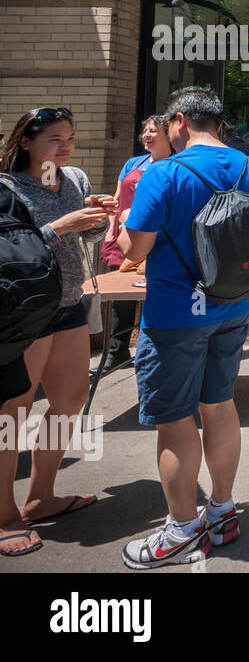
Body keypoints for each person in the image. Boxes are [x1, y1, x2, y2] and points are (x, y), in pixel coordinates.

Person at [115, 86, 249, 568]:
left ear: (180, 121)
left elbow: (134, 250)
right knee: (220, 406)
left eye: (167, 125)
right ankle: (222, 512)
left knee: (175, 421)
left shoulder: (163, 173)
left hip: (173, 316)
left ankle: (182, 532)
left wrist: (121, 222)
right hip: (232, 308)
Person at [0, 108, 113, 557]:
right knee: (13, 412)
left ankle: (41, 496)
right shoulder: (6, 187)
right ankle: (4, 514)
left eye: (69, 138)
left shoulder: (75, 179)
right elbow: (11, 248)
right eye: (54, 139)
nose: (65, 147)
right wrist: (57, 227)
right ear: (26, 141)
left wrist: (98, 219)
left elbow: (90, 238)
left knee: (69, 401)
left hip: (67, 302)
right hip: (23, 312)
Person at [100, 116, 173, 370]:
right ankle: (117, 352)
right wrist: (111, 229)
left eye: (153, 131)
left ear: (168, 135)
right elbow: (118, 198)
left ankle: (152, 353)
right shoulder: (133, 163)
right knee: (121, 299)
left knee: (156, 295)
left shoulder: (175, 165)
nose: (146, 135)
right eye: (145, 131)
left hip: (156, 240)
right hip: (124, 237)